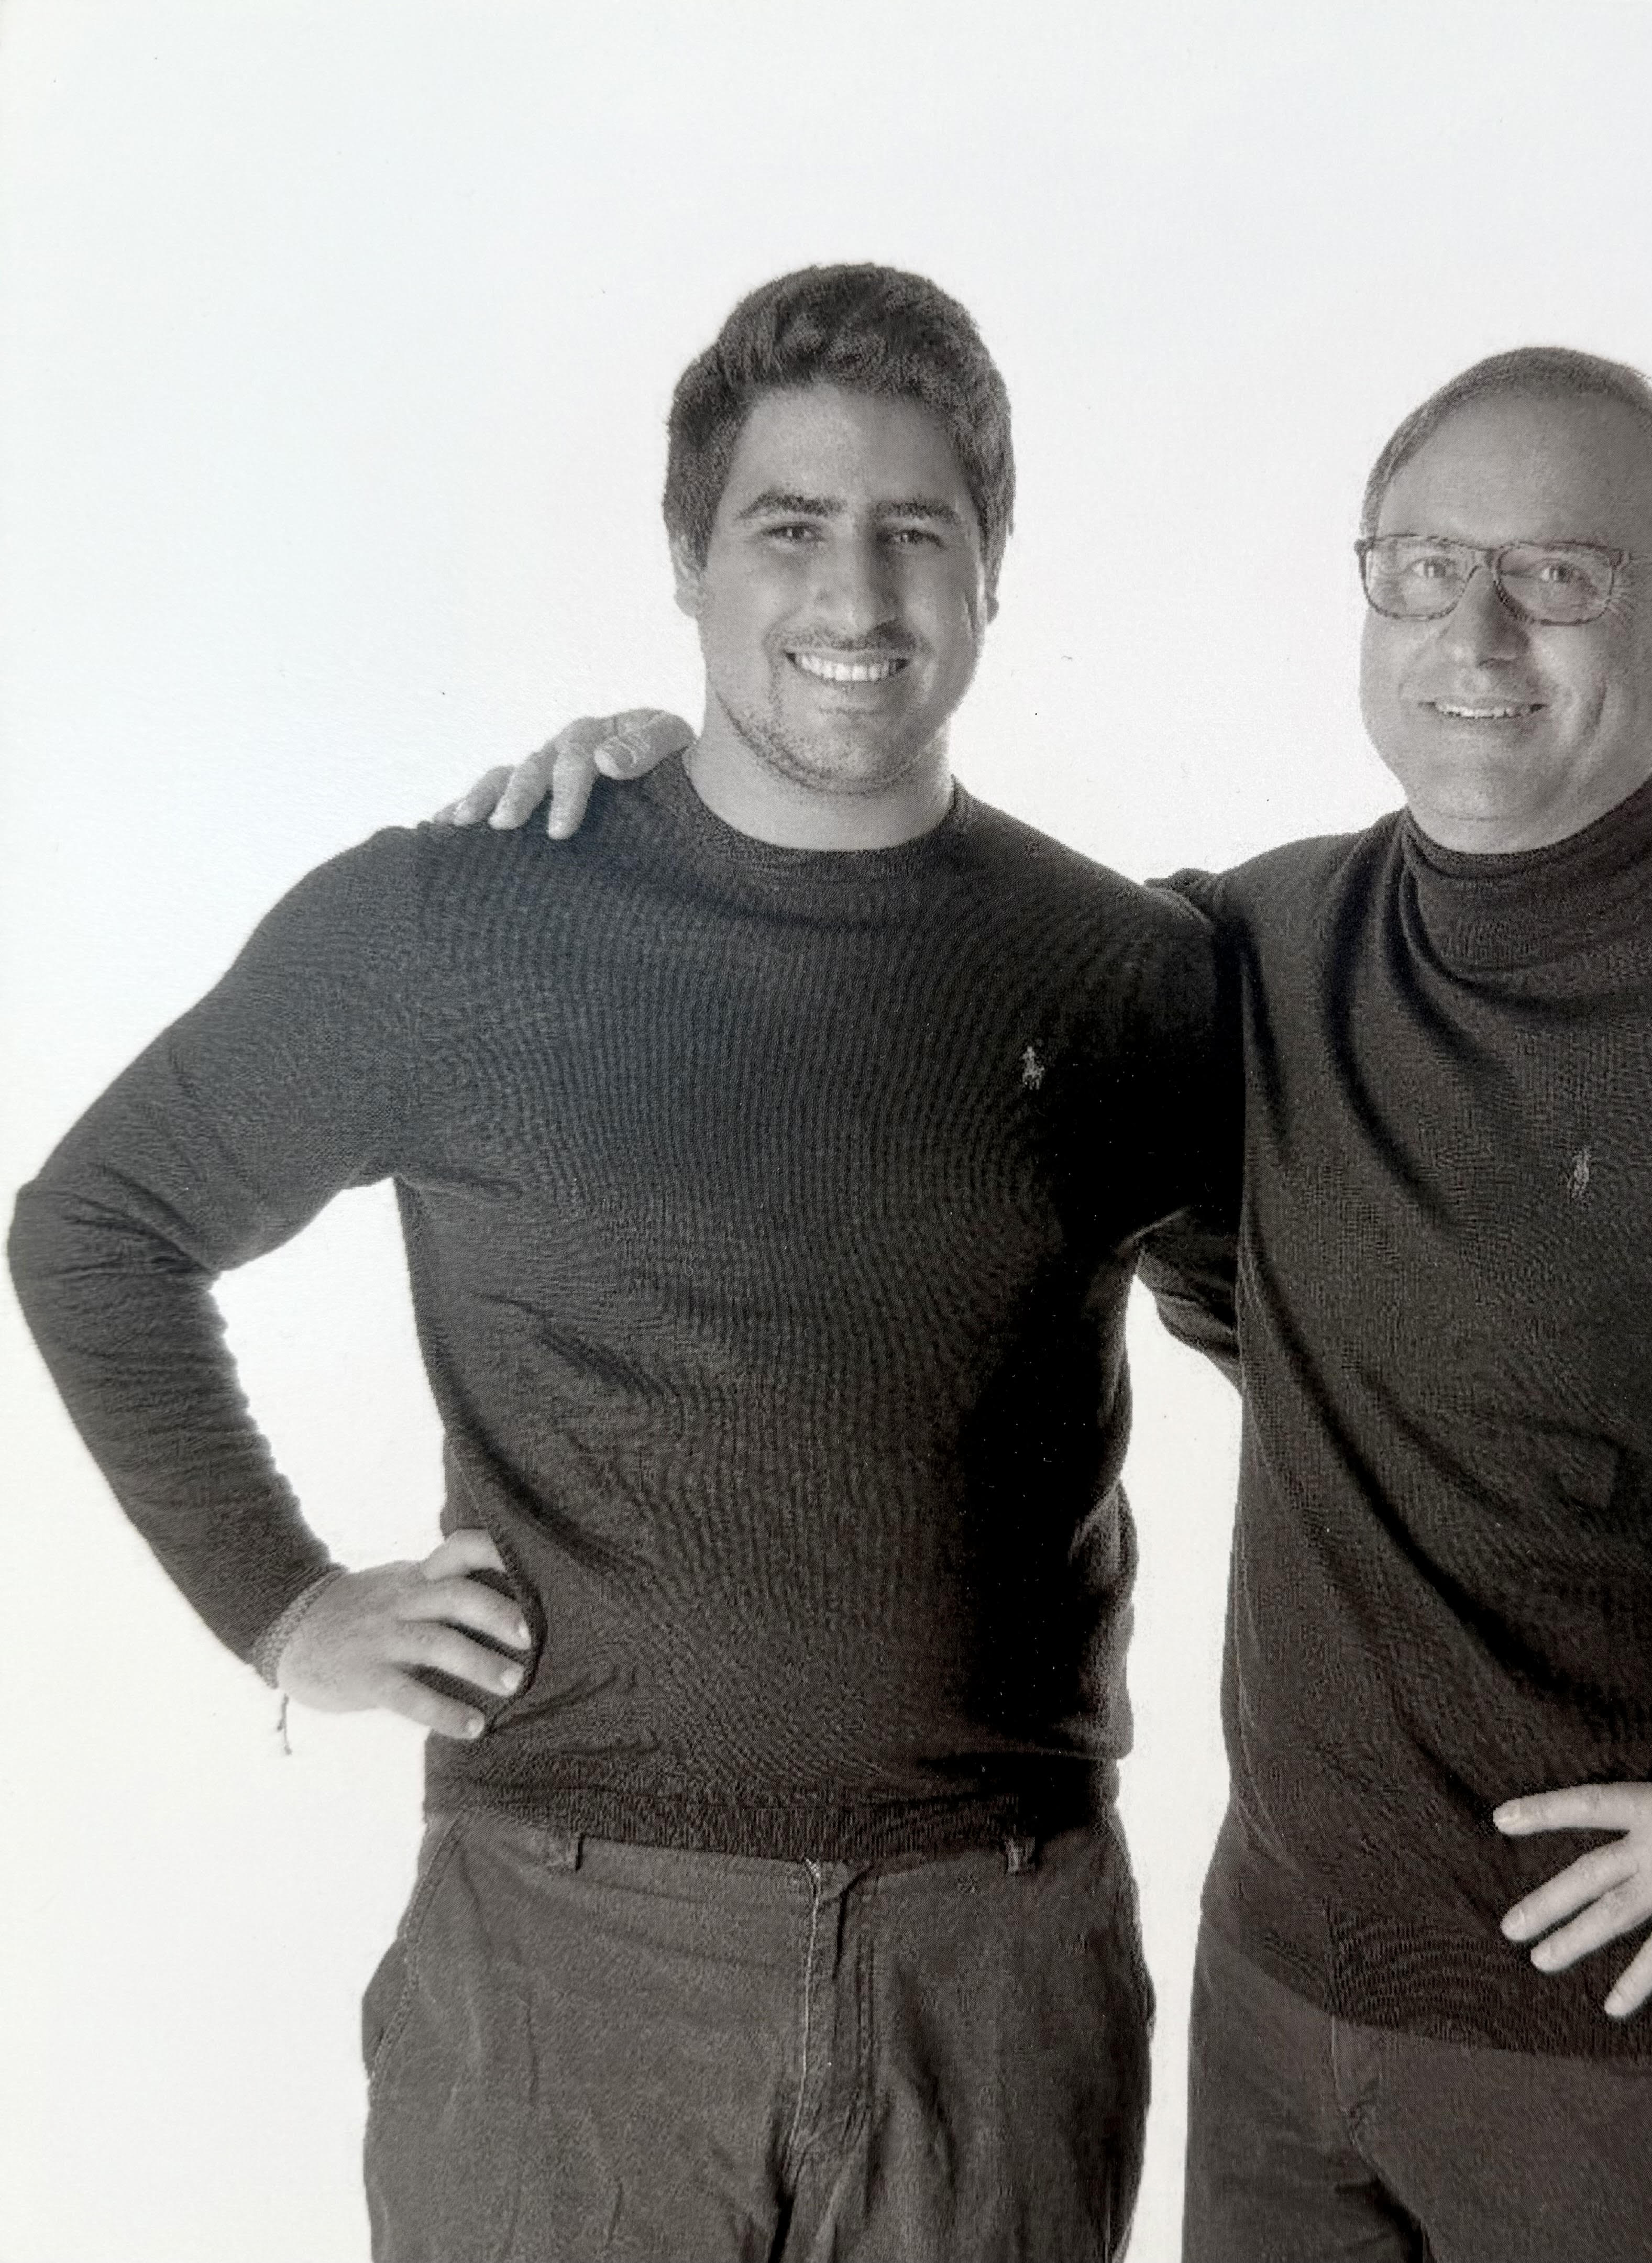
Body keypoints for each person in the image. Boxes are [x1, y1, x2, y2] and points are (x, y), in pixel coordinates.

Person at [490, 345, 1652, 2263]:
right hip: (1275, 2019)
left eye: (1559, 573)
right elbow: (965, 977)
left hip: (1613, 2067)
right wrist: (674, 786)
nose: (1477, 630)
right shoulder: (1261, 942)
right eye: (1423, 566)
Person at [8, 263, 1227, 2263]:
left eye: (917, 531)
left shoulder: (1125, 977)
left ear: (993, 568)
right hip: (565, 1965)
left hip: (992, 1971)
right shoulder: (458, 922)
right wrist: (280, 1602)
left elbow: (1344, 1336)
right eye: (788, 528)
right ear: (685, 562)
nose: (856, 595)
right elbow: (99, 1226)